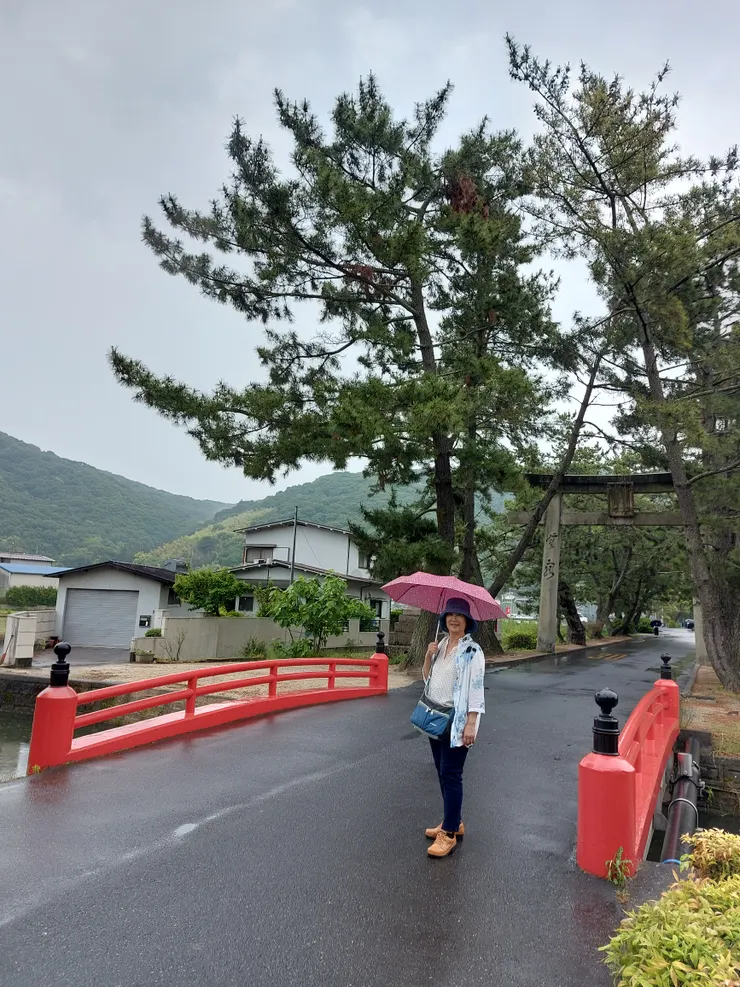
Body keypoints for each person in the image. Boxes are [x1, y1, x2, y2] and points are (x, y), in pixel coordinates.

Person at [422, 597, 485, 859]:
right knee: (441, 771)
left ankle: (448, 833)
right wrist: (428, 656)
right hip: (435, 716)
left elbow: (476, 689)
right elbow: (427, 678)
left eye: (459, 616)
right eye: (450, 615)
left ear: (467, 622)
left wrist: (471, 723)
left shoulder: (472, 651)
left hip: (457, 721)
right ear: (444, 619)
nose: (454, 619)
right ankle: (453, 820)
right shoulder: (443, 644)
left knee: (451, 773)